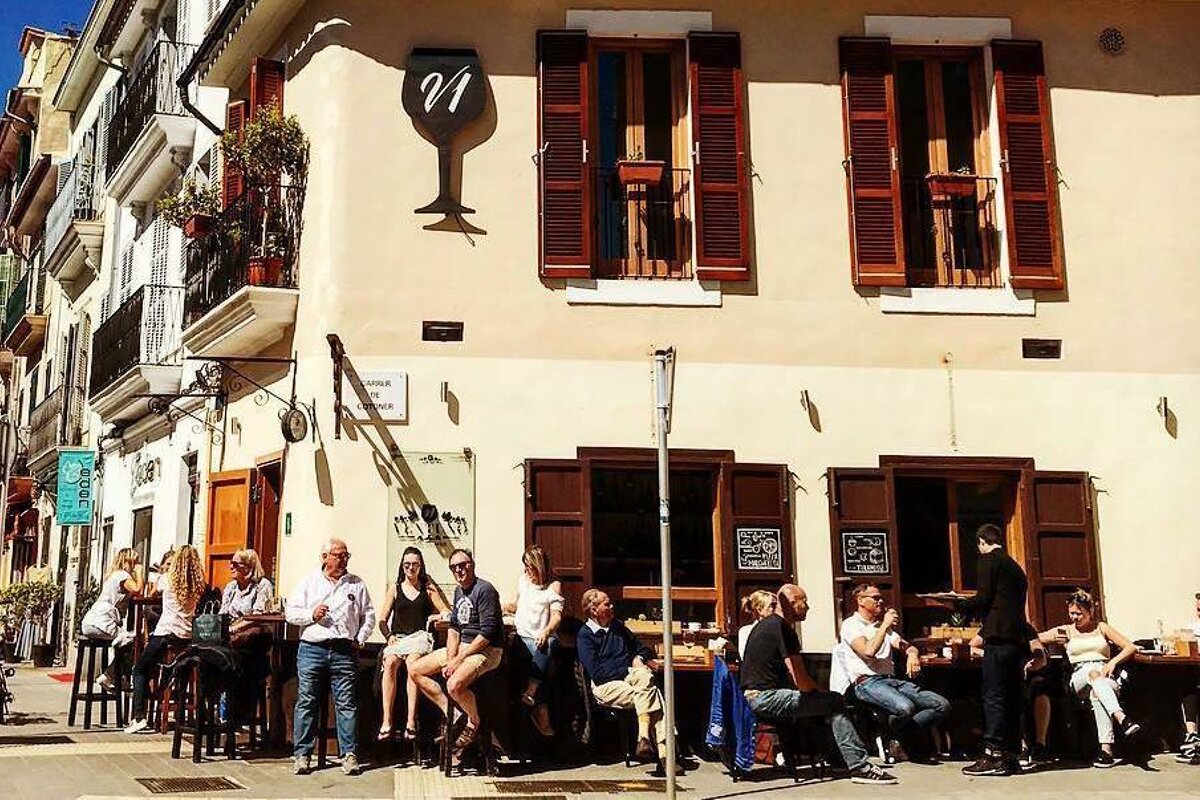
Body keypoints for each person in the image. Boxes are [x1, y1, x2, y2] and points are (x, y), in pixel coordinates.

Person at [739, 584, 896, 785]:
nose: (808, 607)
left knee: (826, 704)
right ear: (790, 603)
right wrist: (820, 692)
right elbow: (801, 680)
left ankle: (838, 759)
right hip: (765, 698)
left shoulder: (768, 624)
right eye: (803, 601)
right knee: (833, 702)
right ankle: (860, 767)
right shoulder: (782, 628)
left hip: (757, 695)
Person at [943, 524, 1046, 777]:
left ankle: (993, 754)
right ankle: (1011, 755)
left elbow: (985, 598)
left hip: (998, 639)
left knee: (993, 697)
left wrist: (956, 605)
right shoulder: (1015, 568)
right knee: (1012, 699)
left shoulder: (988, 560)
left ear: (981, 542)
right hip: (1016, 641)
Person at [285, 537, 375, 776]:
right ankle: (302, 754)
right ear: (325, 557)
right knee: (307, 701)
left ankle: (349, 755)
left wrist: (361, 637)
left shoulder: (356, 584)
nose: (344, 559)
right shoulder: (308, 581)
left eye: (346, 555)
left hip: (344, 650)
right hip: (312, 648)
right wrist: (311, 615)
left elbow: (369, 615)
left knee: (346, 703)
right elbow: (291, 614)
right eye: (339, 555)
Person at [830, 583, 949, 761]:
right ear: (860, 601)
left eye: (881, 597)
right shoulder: (851, 625)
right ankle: (896, 736)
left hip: (891, 680)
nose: (880, 601)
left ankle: (897, 736)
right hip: (866, 682)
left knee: (941, 705)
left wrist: (912, 654)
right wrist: (884, 626)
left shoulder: (882, 626)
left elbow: (905, 645)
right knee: (905, 707)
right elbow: (868, 652)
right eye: (875, 598)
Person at [576, 588, 685, 774]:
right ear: (594, 610)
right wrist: (627, 667)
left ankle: (643, 738)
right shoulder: (585, 636)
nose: (612, 606)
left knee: (644, 677)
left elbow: (642, 649)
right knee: (654, 695)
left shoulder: (617, 628)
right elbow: (597, 673)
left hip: (631, 679)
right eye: (607, 604)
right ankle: (665, 755)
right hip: (606, 686)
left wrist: (639, 659)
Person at [410, 549, 503, 754]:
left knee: (454, 684)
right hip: (463, 649)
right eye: (454, 567)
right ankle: (454, 714)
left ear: (472, 564)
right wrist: (451, 658)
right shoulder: (459, 592)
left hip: (486, 650)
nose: (459, 570)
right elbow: (454, 629)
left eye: (463, 565)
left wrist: (458, 659)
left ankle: (473, 722)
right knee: (415, 669)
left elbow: (487, 634)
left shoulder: (485, 590)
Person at [1036, 589, 1140, 767]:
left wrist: (1113, 662)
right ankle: (1122, 718)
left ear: (1090, 611)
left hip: (1104, 675)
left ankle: (1106, 751)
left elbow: (1130, 646)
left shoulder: (1101, 628)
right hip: (1079, 677)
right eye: (1072, 613)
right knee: (1093, 674)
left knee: (1097, 693)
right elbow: (1034, 637)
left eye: (1079, 613)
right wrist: (1050, 639)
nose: (1074, 617)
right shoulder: (1066, 630)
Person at [124, 545, 205, 735]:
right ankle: (166, 687)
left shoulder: (166, 579)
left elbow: (150, 594)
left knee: (140, 668)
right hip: (185, 637)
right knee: (162, 667)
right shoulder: (197, 584)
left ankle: (139, 716)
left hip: (166, 632)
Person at [376, 546, 449, 741]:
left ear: (421, 566)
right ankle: (387, 720)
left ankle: (410, 721)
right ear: (402, 566)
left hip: (419, 638)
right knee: (390, 662)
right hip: (398, 638)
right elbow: (382, 619)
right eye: (407, 564)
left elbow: (445, 610)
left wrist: (435, 617)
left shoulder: (427, 588)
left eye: (415, 564)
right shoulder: (395, 588)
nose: (411, 568)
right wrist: (389, 635)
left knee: (413, 665)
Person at [502, 545, 563, 737]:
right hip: (522, 636)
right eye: (525, 567)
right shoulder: (523, 581)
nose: (527, 571)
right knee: (544, 668)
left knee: (549, 645)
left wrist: (546, 631)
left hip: (540, 637)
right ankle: (540, 710)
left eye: (530, 567)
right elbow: (516, 605)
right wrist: (498, 605)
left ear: (540, 566)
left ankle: (531, 692)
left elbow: (556, 617)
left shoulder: (553, 585)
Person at [80, 548, 146, 691]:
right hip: (102, 621)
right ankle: (112, 675)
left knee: (127, 642)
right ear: (128, 562)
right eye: (135, 561)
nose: (137, 564)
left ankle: (115, 675)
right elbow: (137, 589)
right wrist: (140, 573)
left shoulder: (113, 576)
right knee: (132, 642)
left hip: (93, 620)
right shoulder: (122, 575)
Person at [220, 548, 274, 621]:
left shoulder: (263, 585)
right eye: (231, 563)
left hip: (251, 629)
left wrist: (233, 629)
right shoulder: (231, 587)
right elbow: (223, 613)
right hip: (230, 628)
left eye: (235, 564)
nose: (231, 567)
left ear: (248, 567)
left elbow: (257, 618)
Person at [1179, 592, 1200, 765]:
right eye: (1198, 609)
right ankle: (1192, 736)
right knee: (1188, 688)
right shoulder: (1192, 627)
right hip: (1195, 670)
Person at [737, 590, 778, 658]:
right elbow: (745, 656)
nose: (777, 609)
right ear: (760, 610)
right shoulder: (746, 631)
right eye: (772, 606)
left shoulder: (780, 628)